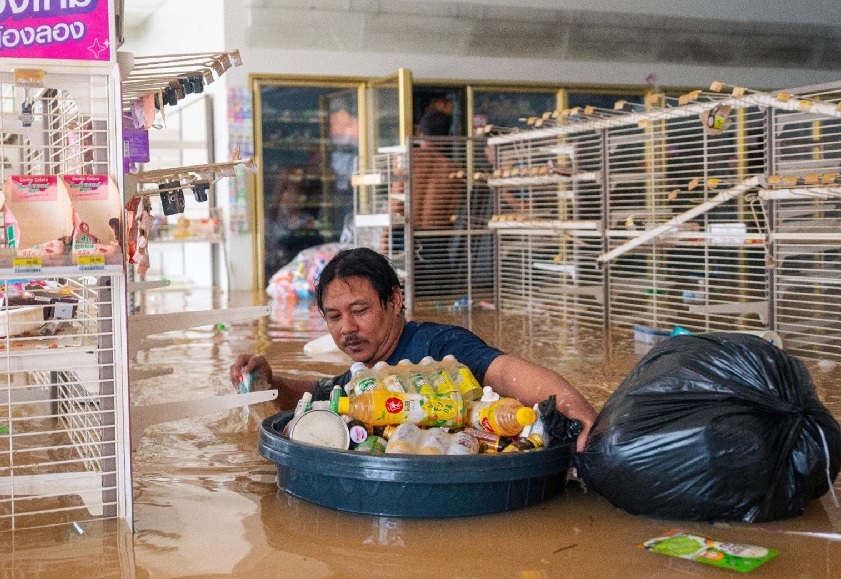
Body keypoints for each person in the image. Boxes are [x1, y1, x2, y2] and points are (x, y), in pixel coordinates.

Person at [230, 247, 597, 451]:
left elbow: (504, 371)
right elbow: (322, 393)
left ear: (394, 300)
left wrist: (576, 413)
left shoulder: (437, 346)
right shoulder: (367, 375)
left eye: (359, 311)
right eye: (333, 317)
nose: (347, 328)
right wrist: (270, 380)